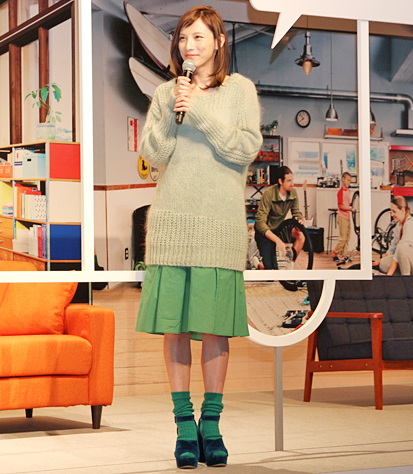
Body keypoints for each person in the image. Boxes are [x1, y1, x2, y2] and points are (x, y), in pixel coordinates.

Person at [134, 6, 262, 469]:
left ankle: (212, 423)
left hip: (219, 225)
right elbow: (155, 153)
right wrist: (173, 109)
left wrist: (199, 107)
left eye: (199, 37)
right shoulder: (166, 92)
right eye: (183, 39)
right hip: (171, 223)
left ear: (219, 42)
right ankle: (184, 425)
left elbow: (244, 149)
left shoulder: (240, 89)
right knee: (174, 328)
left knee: (214, 329)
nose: (189, 46)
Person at [254, 166, 305, 270]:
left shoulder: (293, 193)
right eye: (289, 181)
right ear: (281, 181)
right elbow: (259, 223)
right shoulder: (269, 194)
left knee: (301, 236)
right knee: (271, 271)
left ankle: (290, 264)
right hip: (266, 233)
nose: (292, 183)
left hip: (279, 229)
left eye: (292, 180)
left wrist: (299, 221)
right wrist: (278, 241)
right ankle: (256, 262)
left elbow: (296, 212)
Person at [373, 196, 413, 275]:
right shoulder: (399, 226)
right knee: (384, 264)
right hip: (409, 262)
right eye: (391, 211)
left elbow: (399, 251)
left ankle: (405, 278)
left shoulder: (411, 224)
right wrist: (380, 261)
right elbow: (393, 248)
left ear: (402, 210)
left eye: (394, 211)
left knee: (401, 248)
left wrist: (389, 274)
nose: (392, 214)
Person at [333, 172, 353, 265]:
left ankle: (344, 255)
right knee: (343, 238)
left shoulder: (348, 191)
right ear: (343, 179)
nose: (349, 182)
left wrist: (351, 205)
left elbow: (347, 203)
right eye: (348, 180)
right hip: (342, 217)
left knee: (347, 238)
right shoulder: (340, 192)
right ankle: (335, 252)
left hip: (348, 217)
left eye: (350, 181)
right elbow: (340, 206)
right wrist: (349, 209)